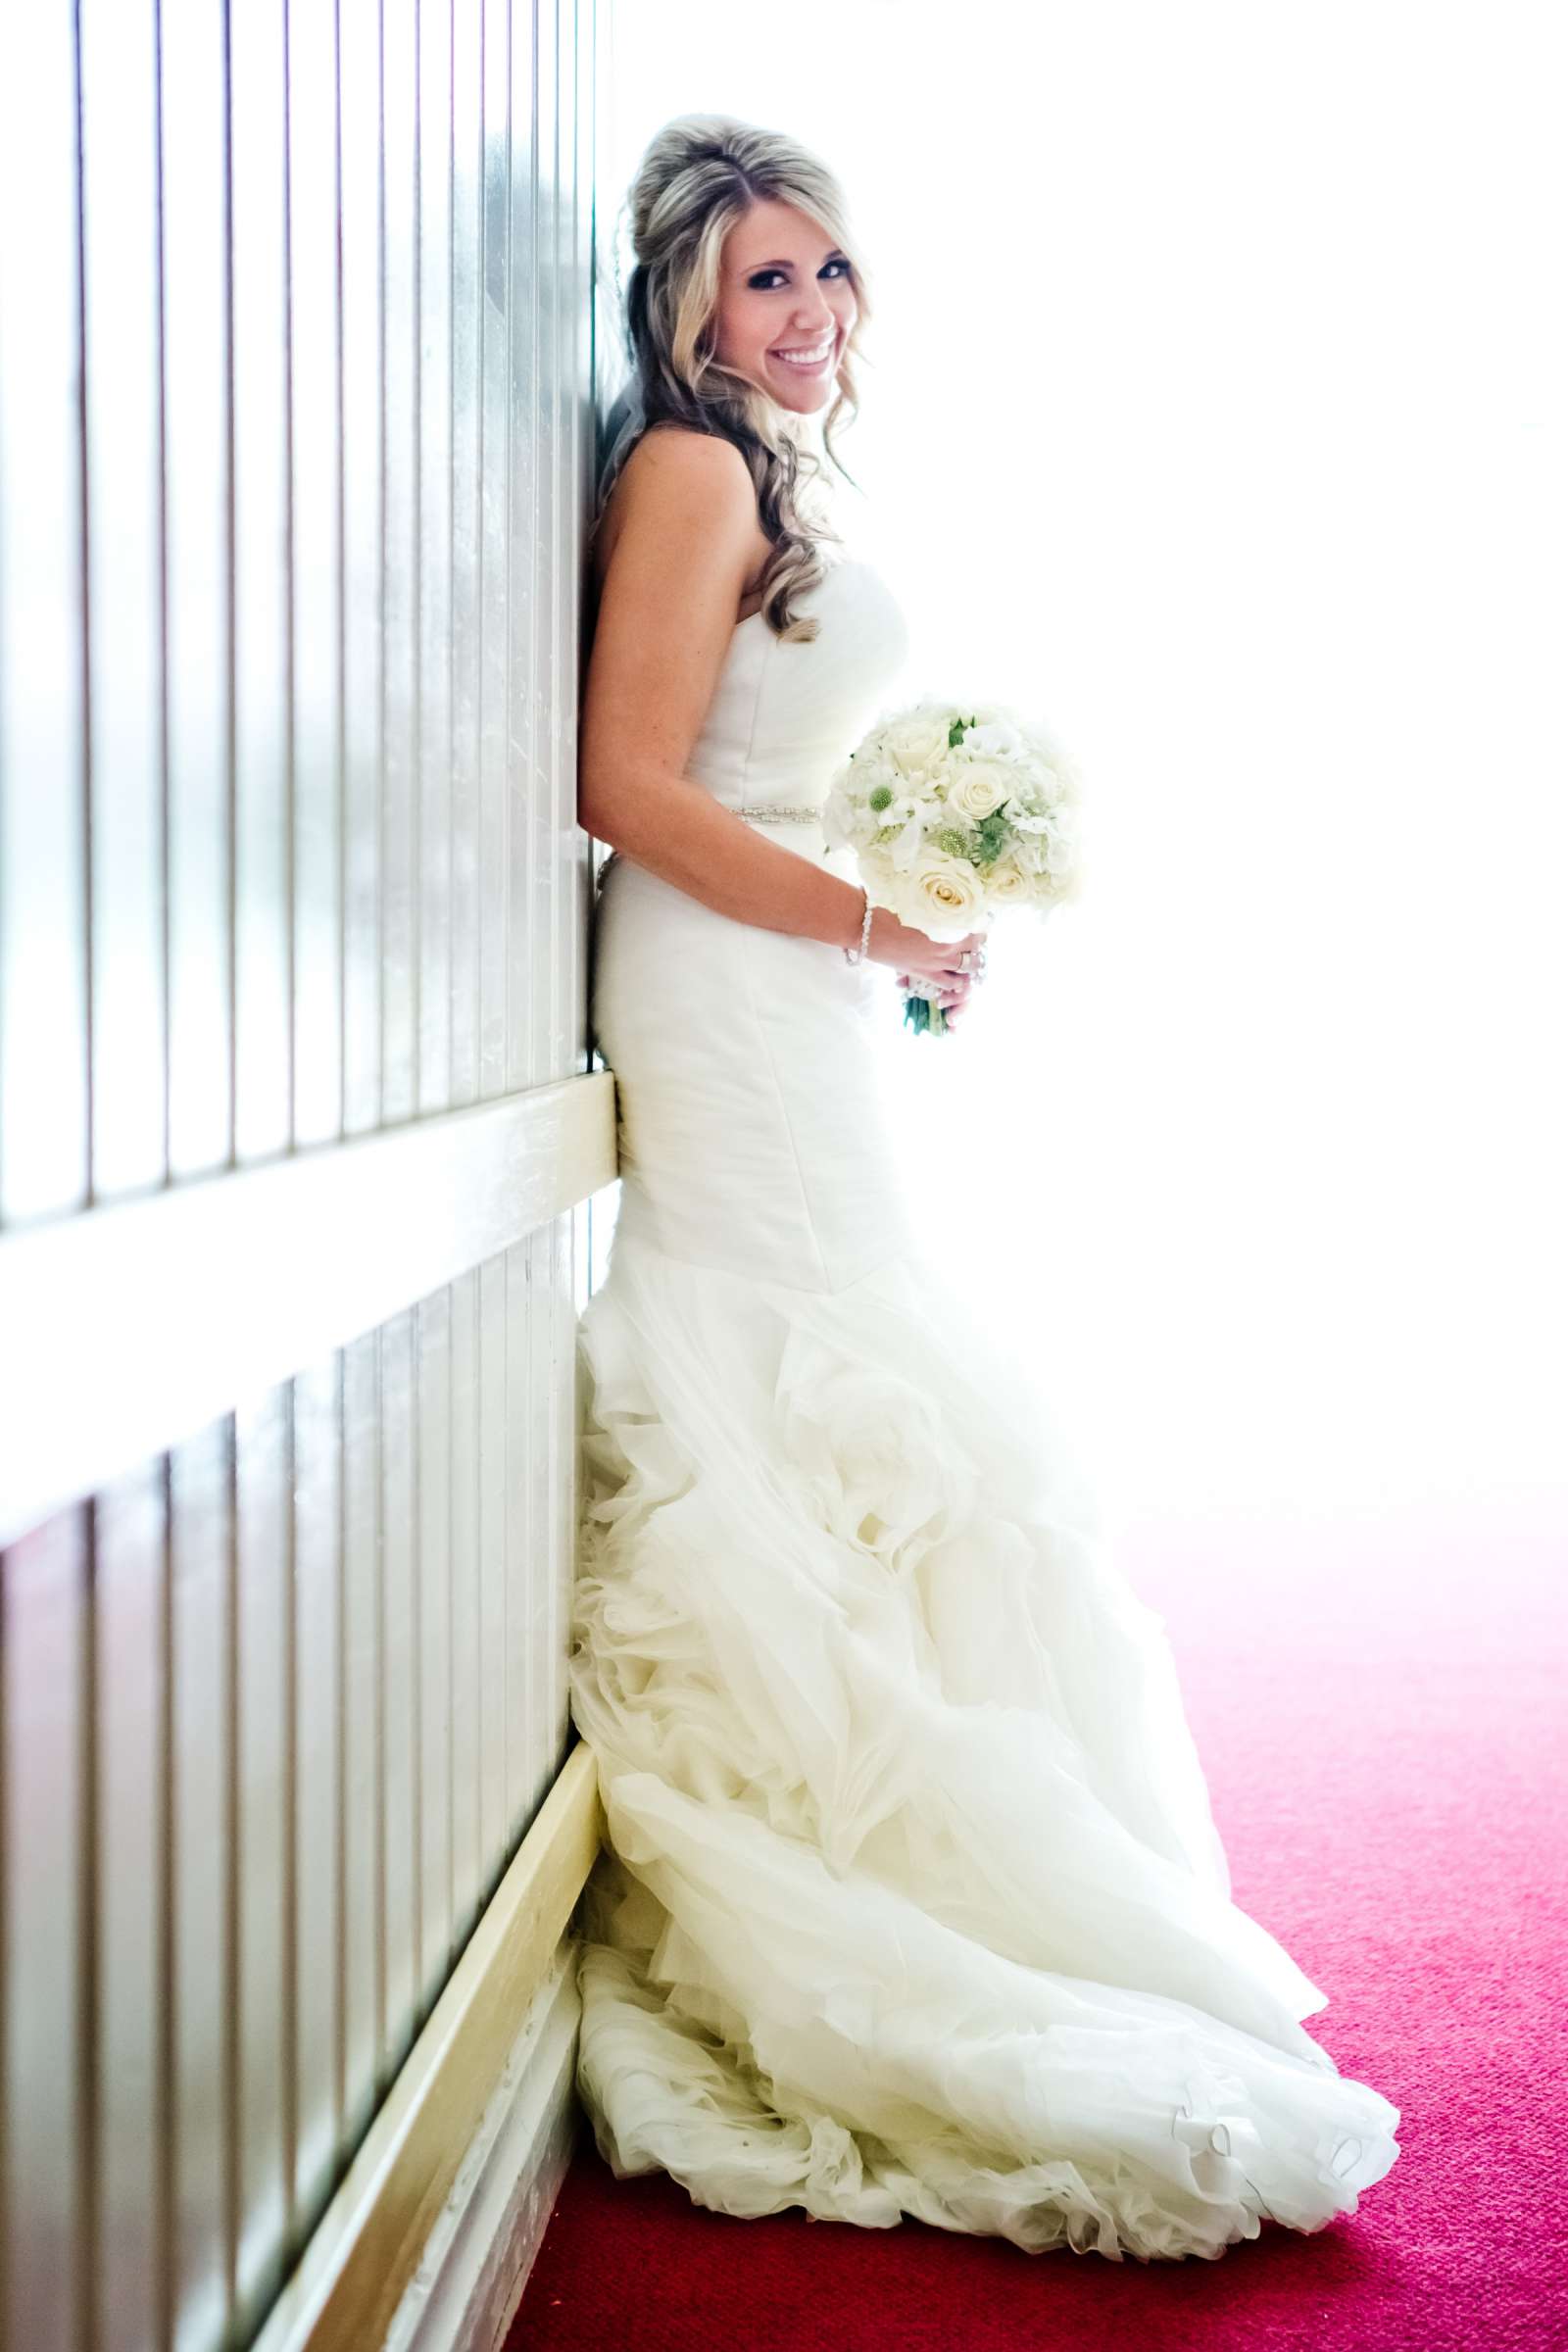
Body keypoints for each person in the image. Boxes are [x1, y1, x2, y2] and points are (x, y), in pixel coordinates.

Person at [567, 113, 1400, 2264]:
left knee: (870, 1383)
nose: (810, 311)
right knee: (812, 1363)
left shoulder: (766, 473)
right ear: (687, 303)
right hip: (728, 990)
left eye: (829, 270)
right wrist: (868, 929)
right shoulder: (685, 466)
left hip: (793, 980)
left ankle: (965, 1837)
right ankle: (866, 1867)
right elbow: (626, 783)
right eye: (765, 279)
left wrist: (911, 885)